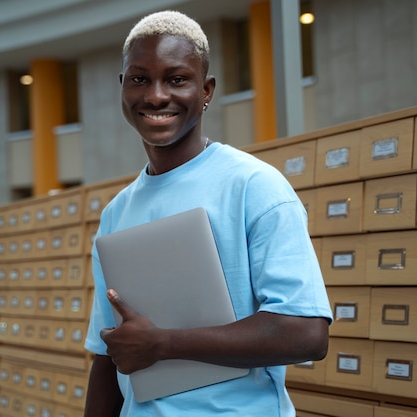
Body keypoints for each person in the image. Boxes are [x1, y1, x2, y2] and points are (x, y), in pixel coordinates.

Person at [83, 10, 332, 417]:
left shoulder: (254, 186)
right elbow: (109, 354)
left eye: (177, 79)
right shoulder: (116, 213)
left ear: (207, 90)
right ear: (123, 87)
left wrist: (164, 343)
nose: (157, 95)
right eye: (140, 78)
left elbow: (306, 333)